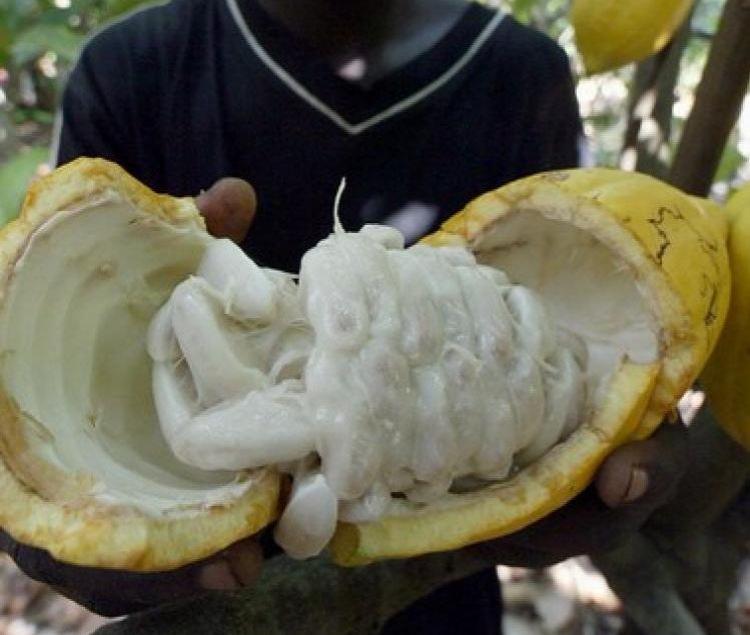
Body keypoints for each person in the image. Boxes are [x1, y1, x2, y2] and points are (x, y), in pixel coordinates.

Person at [3, 0, 689, 631]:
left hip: (440, 606)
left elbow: (549, 299)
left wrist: (575, 458)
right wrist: (62, 520)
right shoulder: (131, 69)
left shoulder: (524, 74)